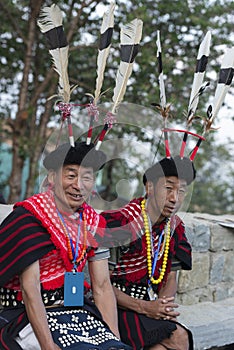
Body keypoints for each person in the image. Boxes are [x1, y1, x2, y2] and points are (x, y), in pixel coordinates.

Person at [0, 141, 132, 350]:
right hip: (25, 313)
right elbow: (30, 288)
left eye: (87, 177)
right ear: (52, 177)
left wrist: (114, 339)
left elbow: (102, 286)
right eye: (70, 176)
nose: (79, 185)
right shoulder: (29, 218)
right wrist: (49, 346)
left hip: (74, 310)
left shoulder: (92, 222)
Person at [101, 155, 195, 350]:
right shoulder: (120, 223)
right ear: (150, 187)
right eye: (168, 188)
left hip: (148, 308)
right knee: (179, 338)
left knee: (162, 346)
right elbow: (100, 284)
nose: (174, 198)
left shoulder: (174, 228)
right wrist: (145, 308)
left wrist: (163, 307)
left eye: (181, 191)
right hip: (114, 307)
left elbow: (170, 277)